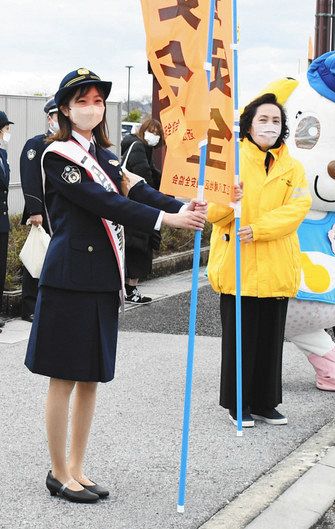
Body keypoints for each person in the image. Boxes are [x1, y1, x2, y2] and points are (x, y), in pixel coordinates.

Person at [23, 68, 207, 504]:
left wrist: (189, 205)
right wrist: (168, 221)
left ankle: (79, 467)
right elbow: (106, 202)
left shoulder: (105, 156)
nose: (91, 108)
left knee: (91, 378)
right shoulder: (57, 155)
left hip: (102, 278)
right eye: (82, 101)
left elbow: (139, 191)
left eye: (98, 101)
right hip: (70, 279)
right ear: (65, 109)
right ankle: (57, 471)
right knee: (64, 377)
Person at [206, 92, 311, 427]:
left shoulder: (293, 166)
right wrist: (228, 199)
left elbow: (297, 208)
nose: (270, 126)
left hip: (276, 261)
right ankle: (239, 404)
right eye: (263, 120)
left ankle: (266, 402)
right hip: (238, 264)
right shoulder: (230, 161)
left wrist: (260, 228)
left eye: (276, 121)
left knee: (269, 337)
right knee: (241, 339)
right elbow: (213, 213)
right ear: (249, 125)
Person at [19, 98, 57, 321]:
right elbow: (30, 178)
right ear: (49, 118)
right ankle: (30, 306)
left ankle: (49, 303)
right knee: (36, 257)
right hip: (42, 213)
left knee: (53, 259)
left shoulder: (66, 144)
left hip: (60, 213)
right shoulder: (36, 144)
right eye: (55, 117)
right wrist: (35, 210)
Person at [121, 118, 165, 303]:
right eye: (151, 131)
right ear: (143, 130)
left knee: (135, 247)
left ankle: (128, 289)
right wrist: (158, 197)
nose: (154, 136)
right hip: (139, 205)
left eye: (157, 133)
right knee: (139, 247)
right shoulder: (138, 147)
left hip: (133, 206)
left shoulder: (139, 146)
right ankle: (130, 290)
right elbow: (143, 175)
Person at [0, 110, 13, 332]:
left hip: (2, 221)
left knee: (1, 268)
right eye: (5, 128)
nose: (7, 132)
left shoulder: (3, 155)